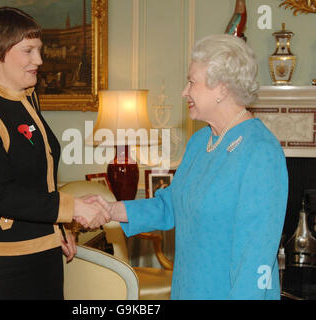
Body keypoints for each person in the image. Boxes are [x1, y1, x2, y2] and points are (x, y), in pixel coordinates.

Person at [84, 34, 288, 300]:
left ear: (222, 88)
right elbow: (171, 204)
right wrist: (111, 209)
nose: (185, 91)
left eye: (192, 82)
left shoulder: (261, 152)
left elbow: (255, 256)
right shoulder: (200, 141)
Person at [0, 7, 109, 300]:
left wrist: (59, 227)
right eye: (28, 51)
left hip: (45, 250)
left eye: (39, 50)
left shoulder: (29, 98)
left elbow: (40, 180)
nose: (38, 60)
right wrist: (71, 208)